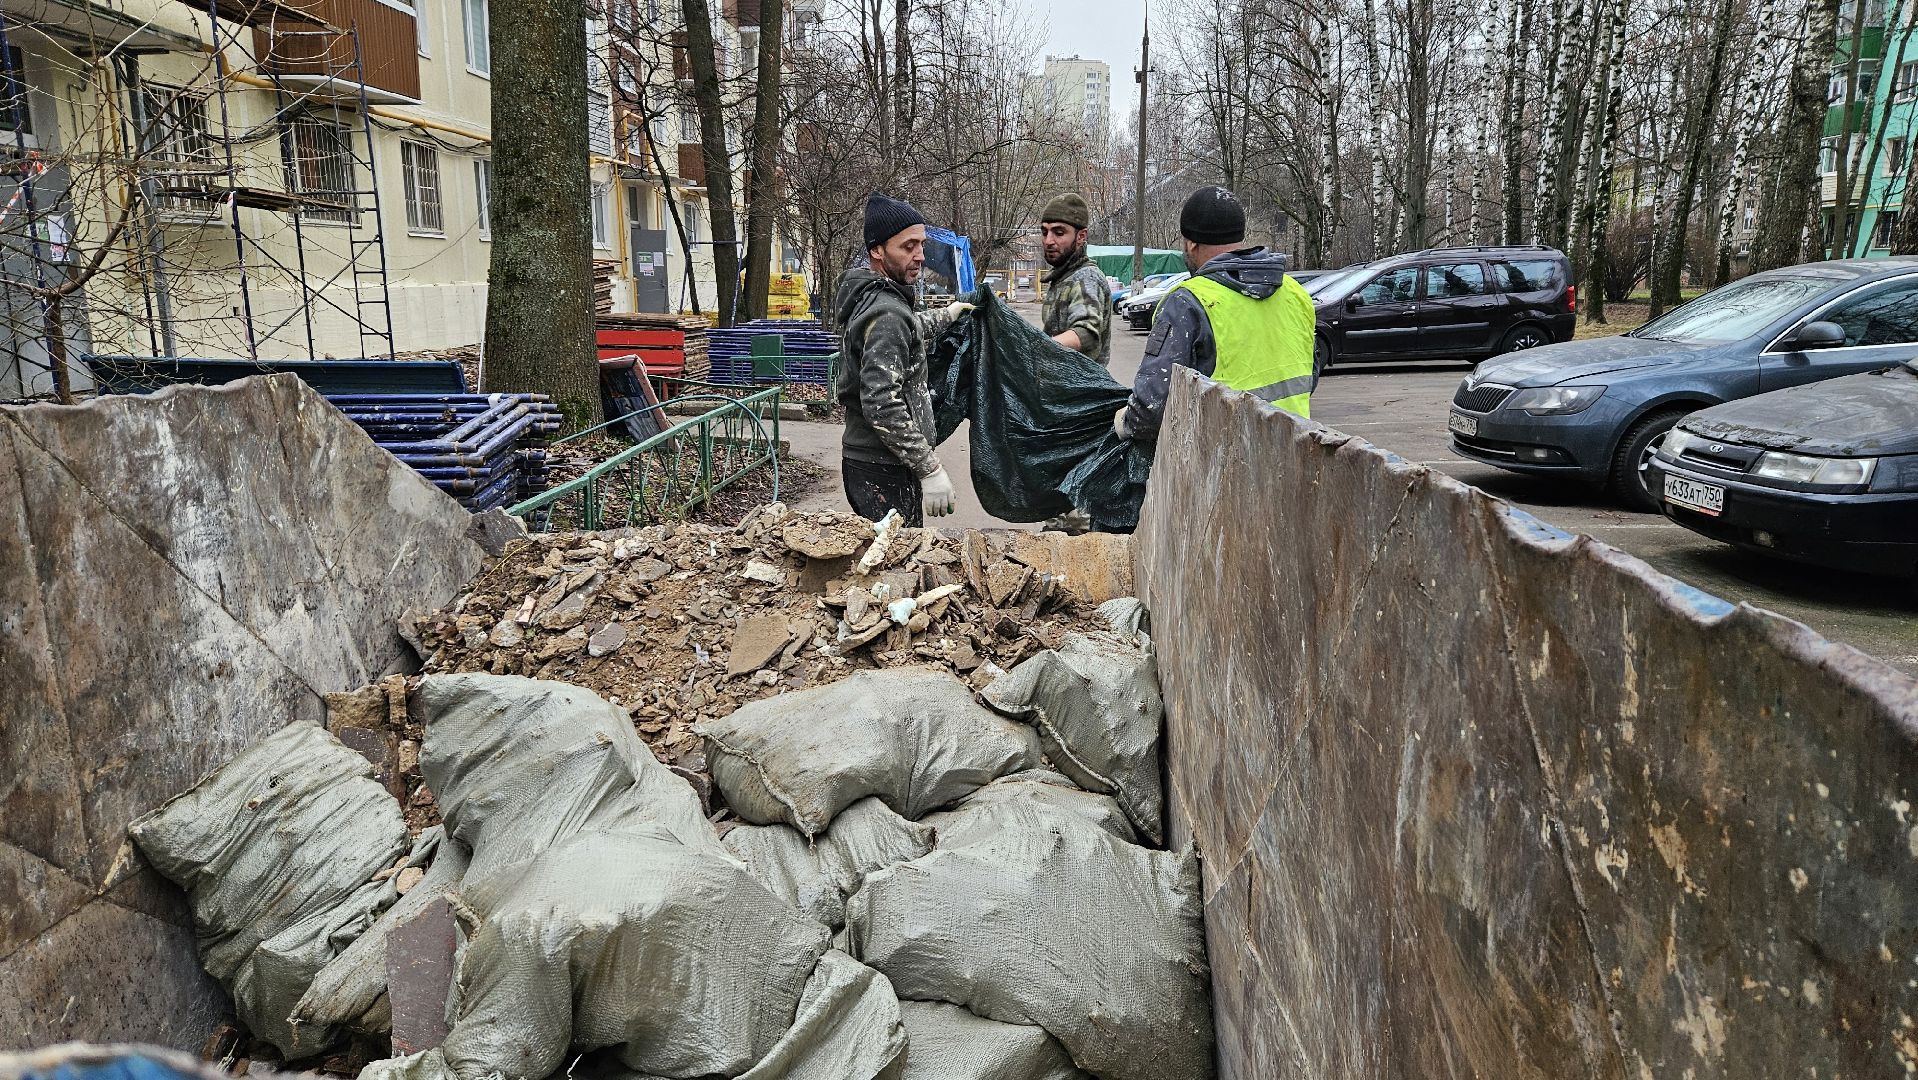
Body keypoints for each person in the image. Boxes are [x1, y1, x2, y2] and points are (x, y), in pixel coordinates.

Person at [1114, 186, 1316, 442]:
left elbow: (1151, 411)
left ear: (1191, 243)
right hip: (1293, 458)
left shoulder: (1187, 303)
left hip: (1225, 469)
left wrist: (1124, 422)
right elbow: (1309, 376)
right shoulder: (1296, 294)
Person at [834, 192, 974, 526]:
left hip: (880, 462)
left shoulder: (879, 298)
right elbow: (881, 401)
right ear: (877, 251)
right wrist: (930, 469)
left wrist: (949, 314)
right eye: (907, 247)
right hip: (882, 468)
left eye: (921, 245)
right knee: (894, 567)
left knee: (891, 560)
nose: (920, 256)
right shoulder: (887, 312)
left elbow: (908, 329)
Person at [1037, 192, 1111, 366]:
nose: (1048, 241)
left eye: (1059, 233)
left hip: (1083, 389)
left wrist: (1036, 348)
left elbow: (1086, 334)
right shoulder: (1064, 277)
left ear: (1081, 237)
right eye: (1044, 231)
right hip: (1060, 388)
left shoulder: (1086, 278)